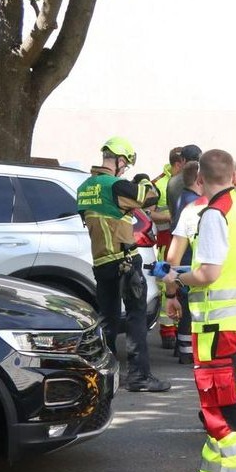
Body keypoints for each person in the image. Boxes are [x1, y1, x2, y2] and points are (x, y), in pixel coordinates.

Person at [161, 148, 236, 472]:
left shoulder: (212, 214)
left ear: (200, 179)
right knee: (217, 401)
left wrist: (176, 277)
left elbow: (208, 273)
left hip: (216, 327)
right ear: (233, 176)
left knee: (221, 406)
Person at [76, 137, 171, 392]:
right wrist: (141, 179)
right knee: (136, 318)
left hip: (100, 261)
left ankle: (105, 377)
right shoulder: (116, 185)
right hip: (125, 261)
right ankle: (139, 377)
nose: (125, 169)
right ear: (119, 160)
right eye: (125, 164)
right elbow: (150, 197)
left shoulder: (85, 187)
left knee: (106, 318)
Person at [162, 160, 205, 363]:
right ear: (199, 180)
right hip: (189, 260)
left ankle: (183, 347)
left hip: (182, 259)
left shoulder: (183, 197)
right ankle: (187, 351)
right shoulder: (194, 204)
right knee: (189, 308)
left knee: (186, 306)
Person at [150, 146, 186, 350]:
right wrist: (172, 217)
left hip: (183, 239)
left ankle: (181, 327)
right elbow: (148, 213)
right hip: (166, 240)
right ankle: (167, 330)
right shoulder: (158, 184)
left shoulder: (189, 182)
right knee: (167, 284)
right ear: (178, 163)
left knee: (182, 282)